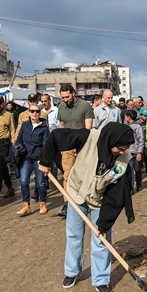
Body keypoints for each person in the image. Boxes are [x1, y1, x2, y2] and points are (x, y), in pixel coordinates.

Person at [39, 122, 135, 292]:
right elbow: (56, 136)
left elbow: (115, 197)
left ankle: (101, 280)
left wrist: (103, 225)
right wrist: (45, 161)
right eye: (120, 148)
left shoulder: (122, 162)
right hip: (77, 193)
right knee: (74, 234)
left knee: (101, 239)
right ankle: (72, 271)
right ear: (110, 140)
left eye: (125, 149)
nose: (122, 152)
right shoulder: (88, 137)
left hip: (99, 200)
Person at [54, 83, 94, 218]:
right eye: (63, 97)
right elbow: (61, 126)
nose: (65, 100)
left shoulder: (85, 106)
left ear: (73, 93)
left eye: (67, 97)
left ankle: (84, 201)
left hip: (83, 148)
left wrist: (80, 146)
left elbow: (88, 129)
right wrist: (61, 145)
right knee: (67, 176)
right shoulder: (61, 107)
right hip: (67, 149)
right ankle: (67, 203)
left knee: (83, 175)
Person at [15, 103, 51, 216]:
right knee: (23, 181)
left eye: (37, 111)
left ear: (40, 113)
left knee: (40, 183)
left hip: (38, 160)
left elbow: (46, 145)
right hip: (26, 158)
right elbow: (19, 138)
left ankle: (42, 203)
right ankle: (26, 205)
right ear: (29, 113)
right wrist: (18, 147)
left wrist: (44, 160)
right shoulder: (25, 125)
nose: (35, 113)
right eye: (32, 111)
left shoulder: (44, 127)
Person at [125, 109, 144, 193]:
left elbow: (141, 140)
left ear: (129, 117)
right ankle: (131, 187)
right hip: (128, 152)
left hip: (136, 152)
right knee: (130, 170)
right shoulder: (127, 126)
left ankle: (139, 184)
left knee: (137, 170)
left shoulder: (137, 127)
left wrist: (139, 152)